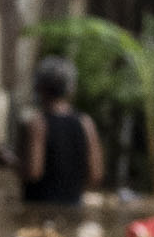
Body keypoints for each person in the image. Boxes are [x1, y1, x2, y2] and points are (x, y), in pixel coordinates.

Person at [8, 56, 100, 206]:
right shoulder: (86, 122)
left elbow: (33, 172)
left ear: (40, 87)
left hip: (37, 209)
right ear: (70, 88)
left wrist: (10, 160)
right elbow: (95, 175)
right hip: (74, 208)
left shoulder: (37, 123)